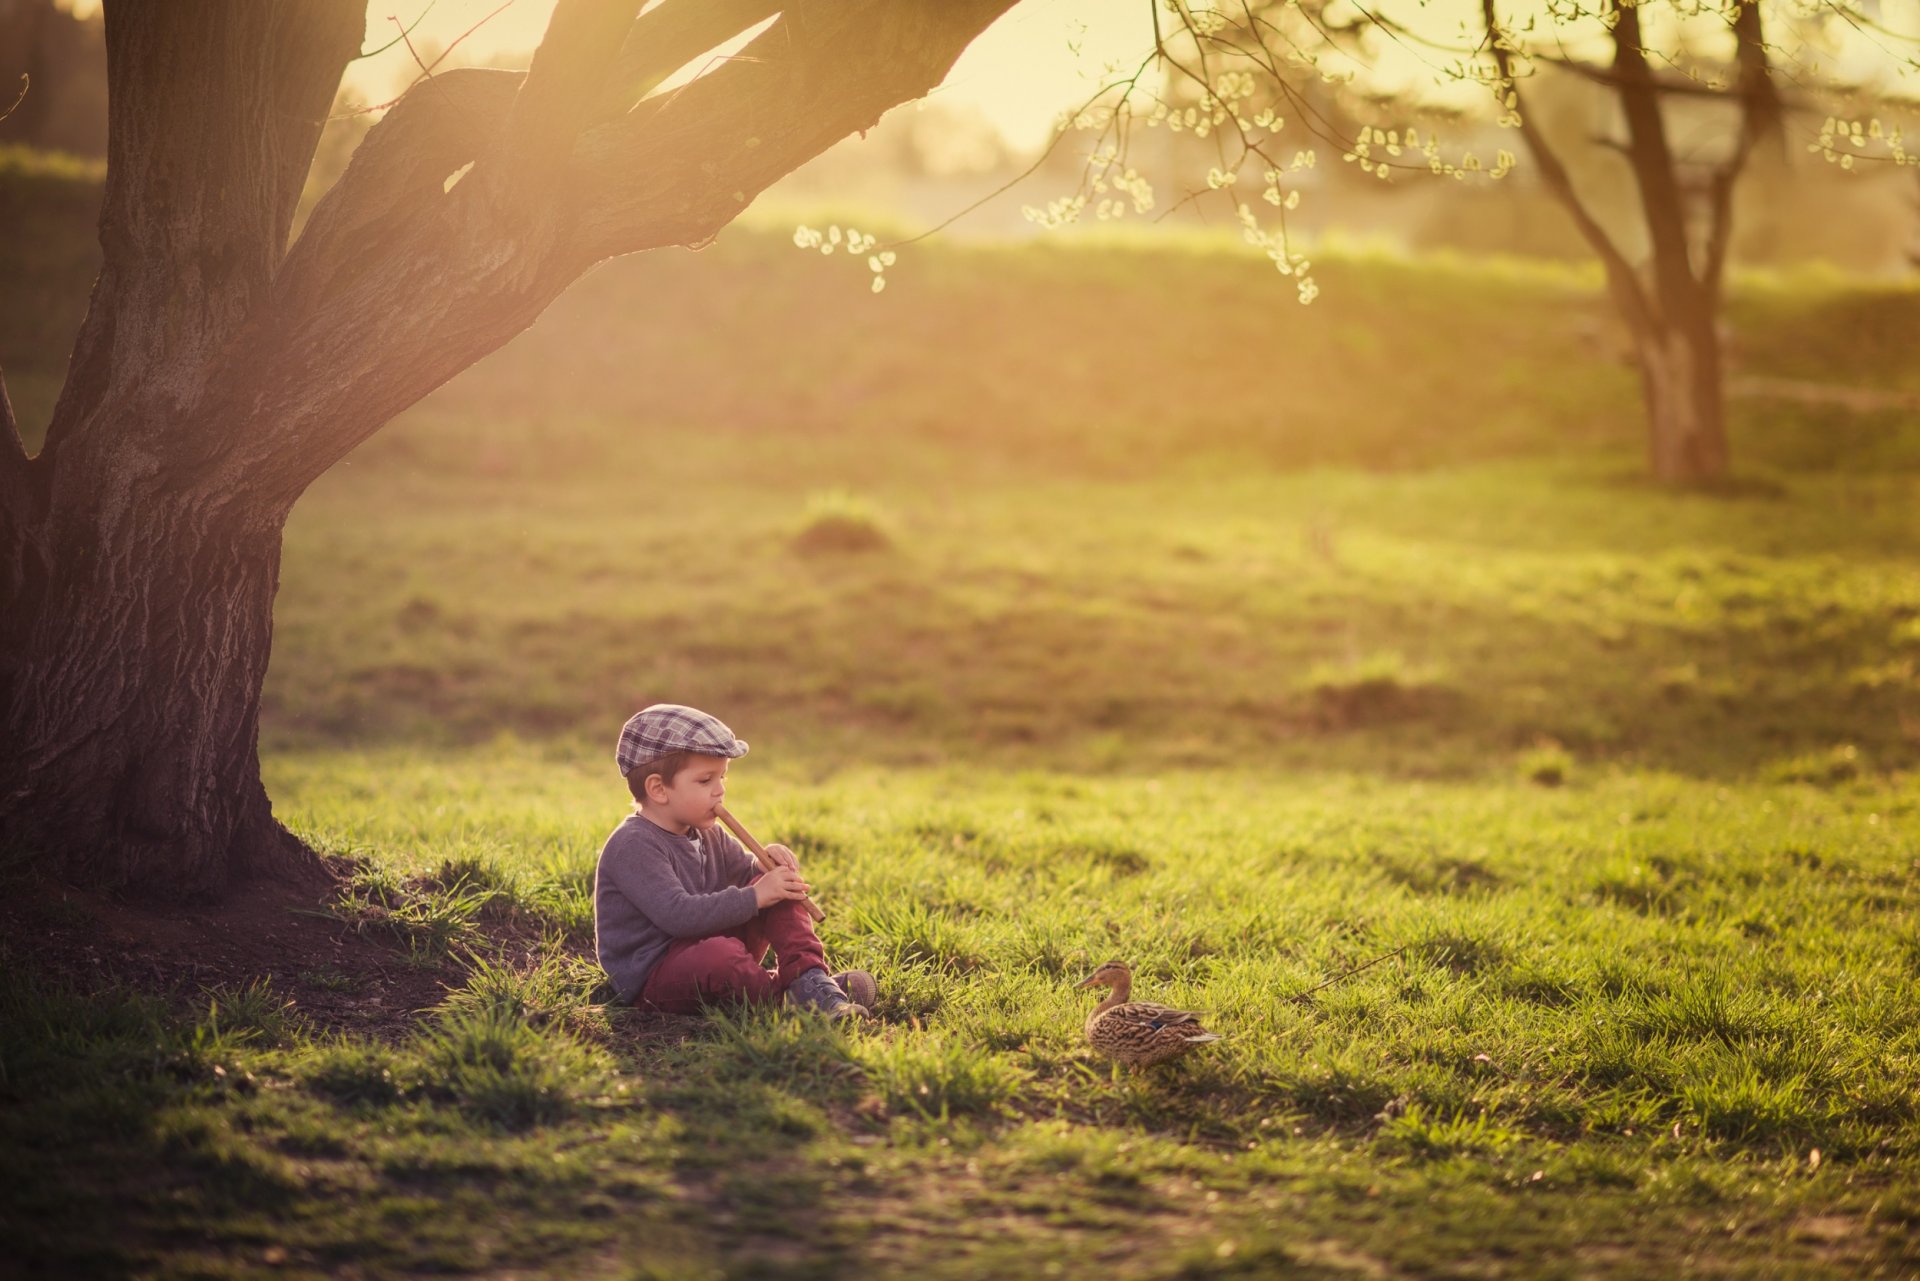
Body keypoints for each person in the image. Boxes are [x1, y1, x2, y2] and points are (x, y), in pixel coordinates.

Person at [593, 703, 874, 1020]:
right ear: (658, 789)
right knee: (720, 954)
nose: (720, 790)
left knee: (778, 892)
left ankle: (809, 980)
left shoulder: (705, 831)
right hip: (655, 977)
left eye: (722, 777)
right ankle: (785, 1003)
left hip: (708, 943)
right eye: (705, 780)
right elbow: (678, 916)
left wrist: (765, 865)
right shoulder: (633, 845)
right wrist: (756, 895)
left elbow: (745, 873)